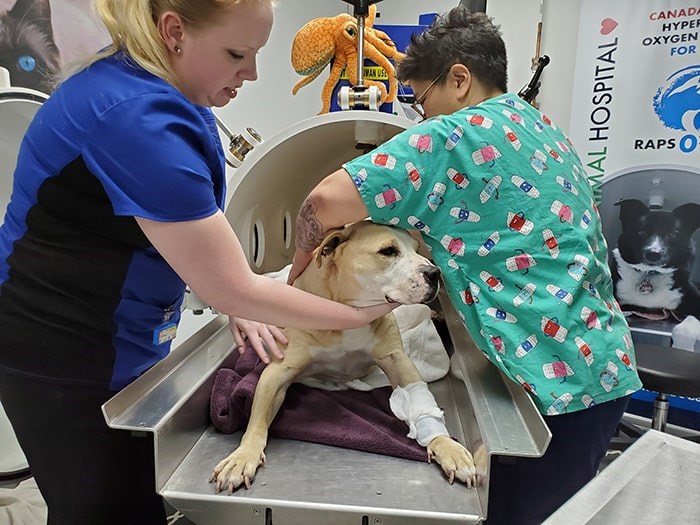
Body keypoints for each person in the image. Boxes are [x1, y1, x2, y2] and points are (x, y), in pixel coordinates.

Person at [0, 1, 398, 523]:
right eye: (237, 53)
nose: (252, 73)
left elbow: (192, 236)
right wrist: (362, 315)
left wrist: (230, 291)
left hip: (116, 330)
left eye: (256, 54)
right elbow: (233, 285)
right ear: (173, 32)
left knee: (128, 491)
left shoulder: (170, 96)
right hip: (59, 349)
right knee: (97, 505)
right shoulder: (134, 118)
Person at [288, 7, 643, 525]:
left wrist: (296, 273)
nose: (421, 117)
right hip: (604, 367)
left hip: (545, 393)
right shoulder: (540, 127)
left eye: (421, 99)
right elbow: (495, 232)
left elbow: (322, 203)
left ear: (458, 78)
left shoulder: (452, 135)